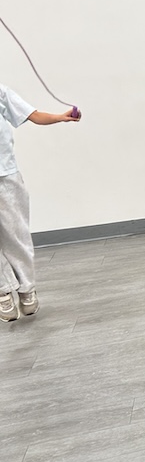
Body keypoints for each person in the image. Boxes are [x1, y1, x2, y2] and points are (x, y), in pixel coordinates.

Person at [0, 83, 80, 321]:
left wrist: (61, 117)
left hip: (6, 175)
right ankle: (3, 291)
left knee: (17, 235)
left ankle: (27, 288)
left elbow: (33, 115)